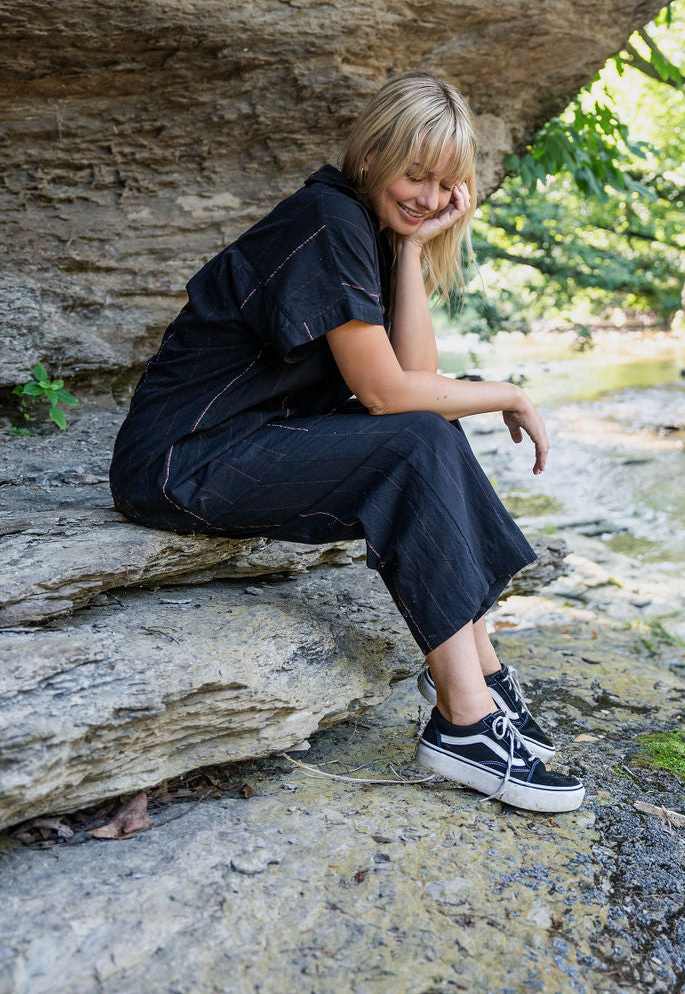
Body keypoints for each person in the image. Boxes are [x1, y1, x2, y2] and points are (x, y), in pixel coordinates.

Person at [110, 73, 584, 814]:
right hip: (181, 459)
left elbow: (413, 377)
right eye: (415, 174)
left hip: (252, 441)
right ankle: (465, 723)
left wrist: (411, 250)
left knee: (429, 434)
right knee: (414, 442)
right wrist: (510, 393)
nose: (429, 197)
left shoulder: (364, 231)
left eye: (445, 183)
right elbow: (390, 396)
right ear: (370, 158)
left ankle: (482, 680)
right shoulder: (326, 219)